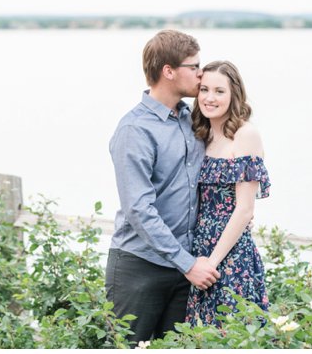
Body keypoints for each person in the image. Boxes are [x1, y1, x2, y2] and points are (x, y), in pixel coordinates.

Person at [106, 31, 220, 344]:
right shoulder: (135, 129)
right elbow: (139, 209)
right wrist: (188, 265)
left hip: (186, 267)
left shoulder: (191, 119)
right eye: (194, 66)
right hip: (139, 268)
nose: (201, 73)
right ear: (168, 71)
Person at [185, 60, 270, 325]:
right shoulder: (201, 132)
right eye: (204, 90)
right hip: (197, 252)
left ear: (234, 94)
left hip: (229, 254)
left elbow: (245, 209)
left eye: (219, 91)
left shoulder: (246, 135)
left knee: (231, 332)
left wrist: (212, 262)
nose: (210, 98)